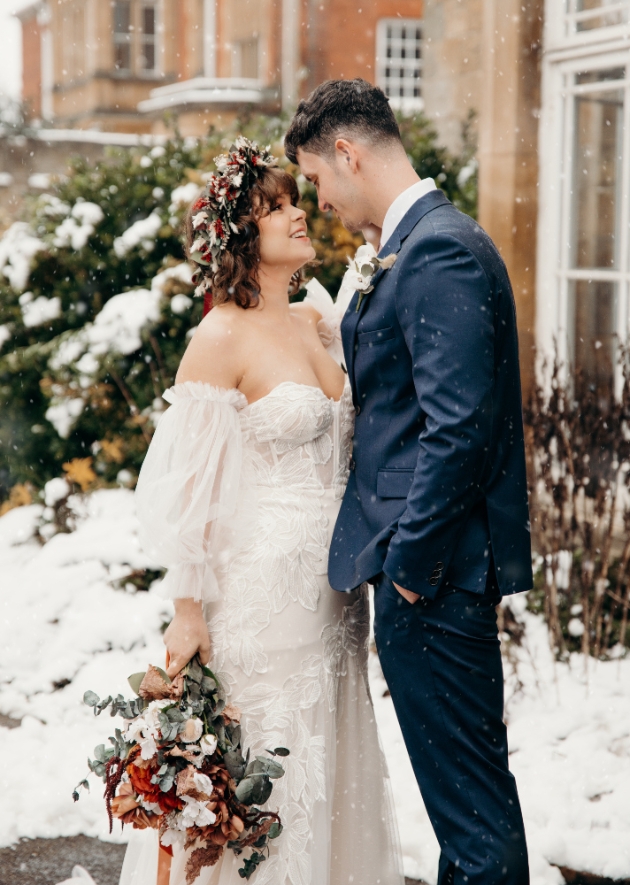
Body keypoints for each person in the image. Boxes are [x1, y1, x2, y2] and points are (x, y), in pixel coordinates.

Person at [120, 138, 403, 885]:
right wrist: (188, 609)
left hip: (336, 594)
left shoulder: (316, 317)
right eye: (274, 207)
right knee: (267, 776)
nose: (297, 212)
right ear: (242, 238)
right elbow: (190, 489)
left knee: (329, 765)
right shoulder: (219, 338)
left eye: (293, 200)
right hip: (262, 593)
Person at [284, 80, 533, 885]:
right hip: (432, 570)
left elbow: (457, 428)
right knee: (469, 806)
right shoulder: (424, 241)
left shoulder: (438, 250)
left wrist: (411, 572)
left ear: (348, 154)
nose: (318, 200)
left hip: (437, 573)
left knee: (472, 817)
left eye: (317, 179)